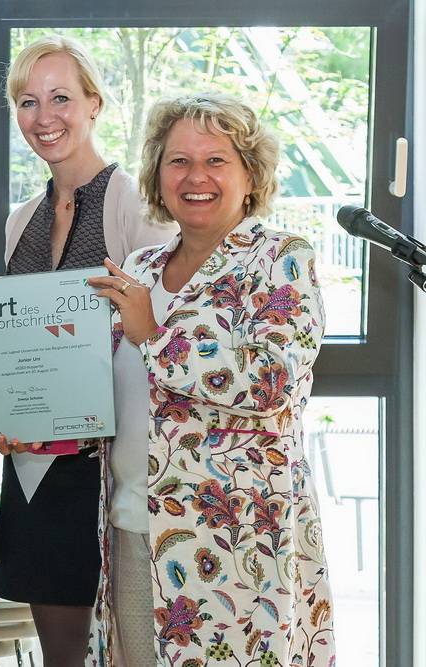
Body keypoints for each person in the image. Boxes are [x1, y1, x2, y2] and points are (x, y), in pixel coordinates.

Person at [86, 92, 335, 666]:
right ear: (158, 174)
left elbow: (270, 382)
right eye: (178, 161)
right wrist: (38, 424)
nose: (195, 176)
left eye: (216, 160)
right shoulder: (141, 269)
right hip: (133, 529)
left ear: (250, 174)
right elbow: (112, 393)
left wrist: (154, 335)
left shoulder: (280, 259)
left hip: (240, 544)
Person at [0, 35, 175, 666]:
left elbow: (161, 338)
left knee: (123, 649)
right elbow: (17, 347)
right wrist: (0, 412)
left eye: (61, 98)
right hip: (37, 470)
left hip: (106, 473)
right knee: (62, 656)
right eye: (28, 102)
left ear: (95, 103)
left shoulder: (138, 207)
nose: (44, 117)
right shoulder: (21, 219)